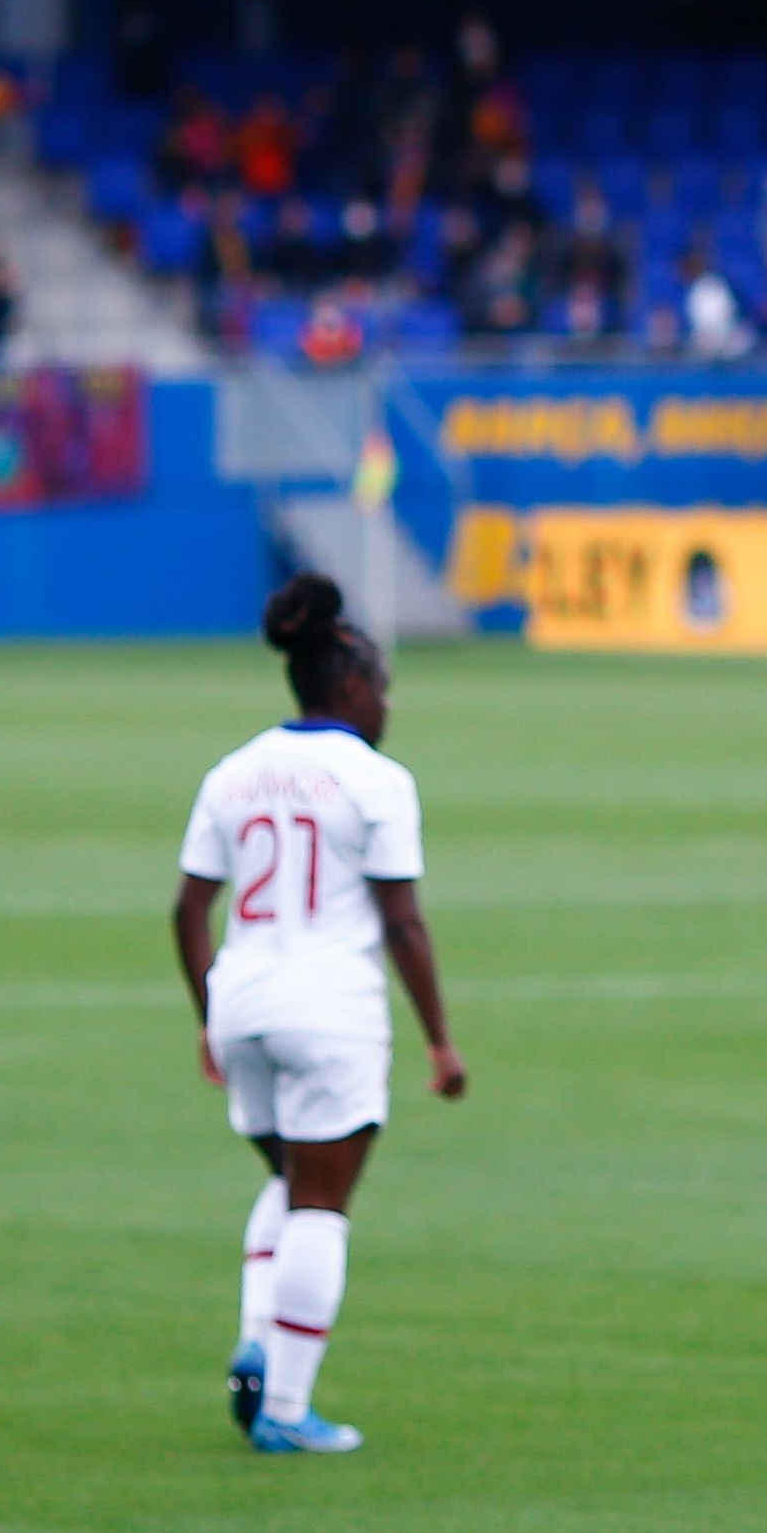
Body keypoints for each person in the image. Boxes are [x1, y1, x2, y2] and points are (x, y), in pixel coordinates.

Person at [167, 575, 469, 1456]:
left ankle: (258, 1340)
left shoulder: (232, 771)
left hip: (242, 1002)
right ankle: (287, 1408)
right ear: (350, 684)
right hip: (328, 1009)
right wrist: (440, 1039)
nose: (387, 704)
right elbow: (401, 921)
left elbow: (188, 909)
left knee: (289, 1180)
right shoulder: (377, 780)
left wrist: (208, 1015)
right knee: (321, 1206)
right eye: (382, 688)